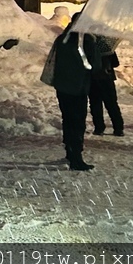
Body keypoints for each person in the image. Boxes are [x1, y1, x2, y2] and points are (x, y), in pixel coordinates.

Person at [42, 11, 96, 170]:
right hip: (78, 86)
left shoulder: (63, 39)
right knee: (78, 121)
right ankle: (76, 157)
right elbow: (92, 65)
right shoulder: (85, 41)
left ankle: (70, 151)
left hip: (63, 86)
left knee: (68, 119)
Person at [89, 36, 124, 137]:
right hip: (106, 78)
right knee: (112, 104)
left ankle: (99, 128)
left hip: (93, 79)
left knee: (95, 104)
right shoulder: (106, 47)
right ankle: (118, 128)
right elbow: (116, 63)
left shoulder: (89, 46)